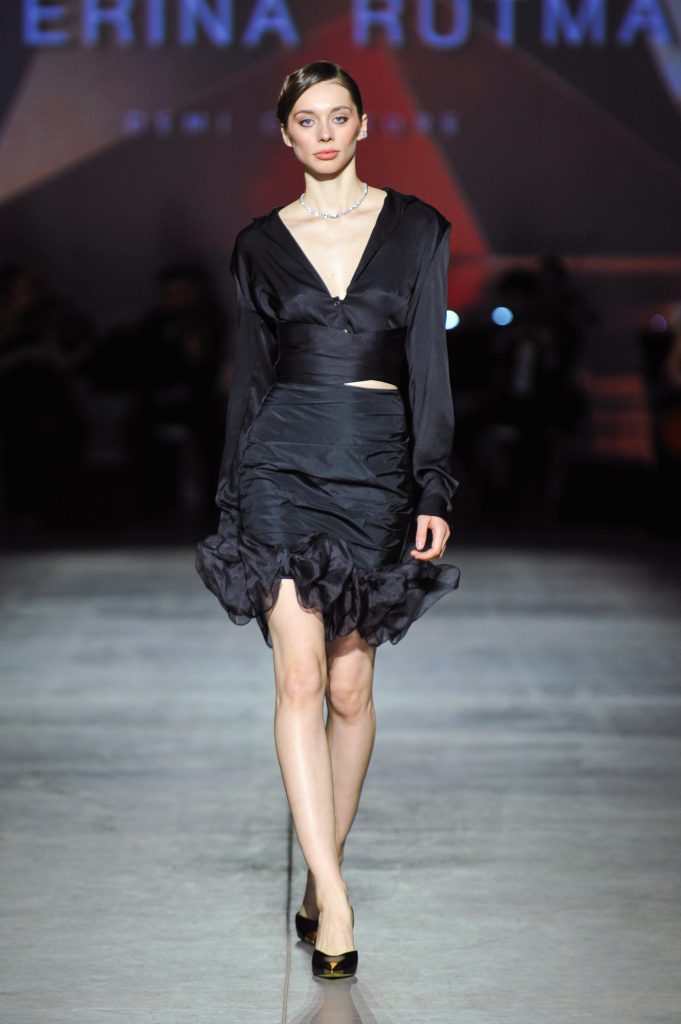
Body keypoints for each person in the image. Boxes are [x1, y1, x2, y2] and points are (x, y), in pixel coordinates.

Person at [195, 60, 460, 980]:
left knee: (350, 690)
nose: (322, 133)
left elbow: (428, 365)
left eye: (337, 116)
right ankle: (336, 901)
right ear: (285, 135)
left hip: (376, 467)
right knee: (300, 677)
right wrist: (233, 496)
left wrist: (433, 486)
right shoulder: (260, 245)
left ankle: (320, 872)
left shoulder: (418, 229)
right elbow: (250, 378)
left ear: (361, 125)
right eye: (304, 120)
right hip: (279, 463)